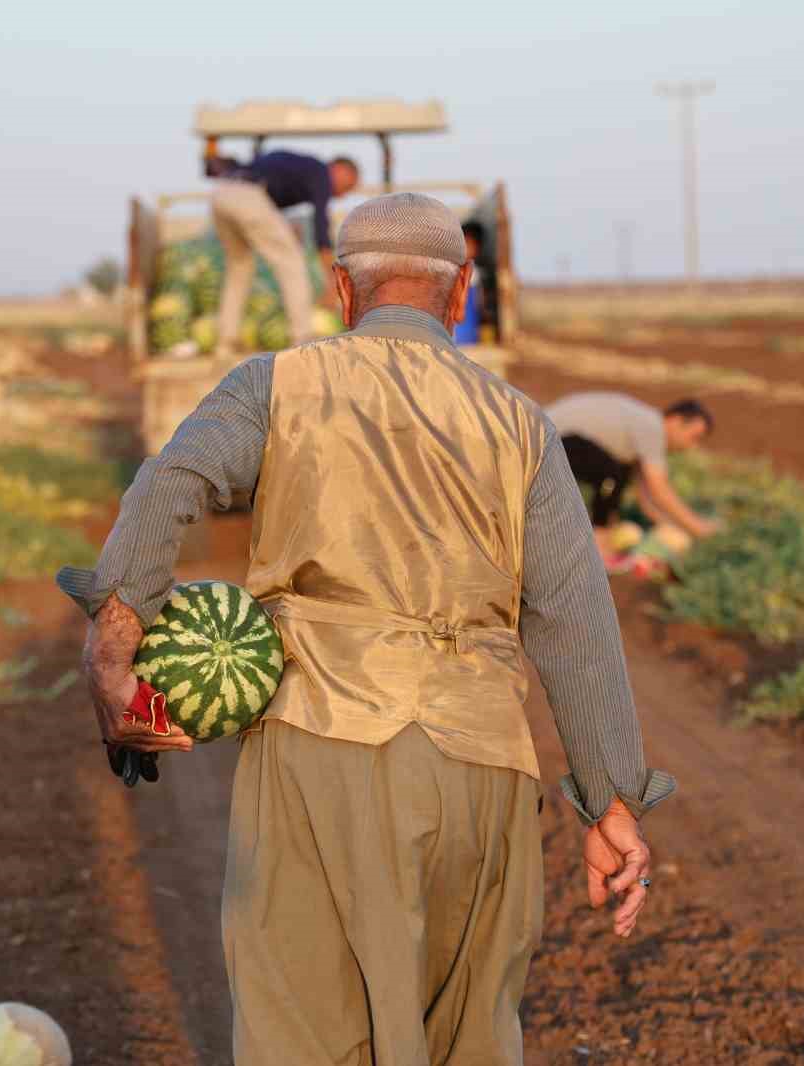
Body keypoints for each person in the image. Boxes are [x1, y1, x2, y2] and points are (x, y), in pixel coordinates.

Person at [73, 194, 673, 1066]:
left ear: (338, 288)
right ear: (461, 291)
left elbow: (170, 486)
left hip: (319, 741)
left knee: (303, 1035)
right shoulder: (522, 425)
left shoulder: (275, 383)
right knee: (468, 1038)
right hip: (482, 763)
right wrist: (612, 800)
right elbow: (574, 619)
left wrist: (114, 650)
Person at [211, 150, 360, 354]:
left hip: (222, 193)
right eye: (348, 186)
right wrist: (332, 280)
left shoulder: (300, 166)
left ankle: (226, 341)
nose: (344, 194)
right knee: (292, 262)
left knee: (239, 267)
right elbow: (320, 227)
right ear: (340, 170)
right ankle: (303, 337)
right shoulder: (321, 172)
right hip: (248, 197)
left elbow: (270, 193)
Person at [546, 392, 720, 552]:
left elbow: (646, 498)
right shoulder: (653, 429)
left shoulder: (646, 425)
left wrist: (668, 526)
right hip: (550, 438)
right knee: (611, 476)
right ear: (675, 421)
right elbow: (660, 491)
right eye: (693, 437)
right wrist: (698, 528)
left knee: (619, 474)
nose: (691, 446)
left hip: (556, 435)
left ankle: (600, 536)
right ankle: (599, 543)